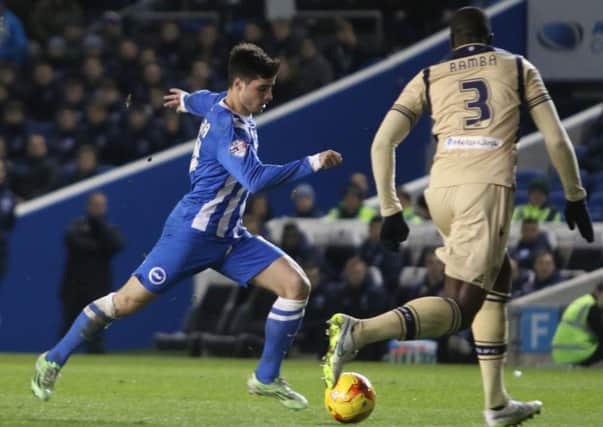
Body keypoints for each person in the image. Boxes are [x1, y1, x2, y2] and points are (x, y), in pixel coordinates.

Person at [31, 43, 343, 409]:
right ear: (239, 84)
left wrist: (184, 100)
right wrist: (313, 163)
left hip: (229, 236)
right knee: (125, 303)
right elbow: (255, 179)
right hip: (190, 235)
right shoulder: (228, 128)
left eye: (271, 87)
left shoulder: (219, 102)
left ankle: (266, 377)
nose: (269, 96)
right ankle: (53, 358)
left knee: (295, 285)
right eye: (263, 88)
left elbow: (202, 100)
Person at [322, 7, 593, 427]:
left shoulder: (430, 75)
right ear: (489, 36)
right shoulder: (518, 66)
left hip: (441, 189)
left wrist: (391, 208)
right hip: (485, 188)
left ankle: (497, 402)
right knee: (461, 307)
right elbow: (556, 140)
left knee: (498, 275)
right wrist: (574, 194)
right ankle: (360, 332)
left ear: (452, 43)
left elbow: (381, 142)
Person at [60, 192, 124, 354]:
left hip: (98, 286)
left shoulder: (107, 228)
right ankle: (61, 355)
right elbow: (74, 242)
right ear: (88, 207)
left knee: (96, 328)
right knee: (69, 325)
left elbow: (116, 245)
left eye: (102, 206)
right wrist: (99, 247)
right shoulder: (77, 226)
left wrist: (99, 233)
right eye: (96, 205)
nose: (99, 209)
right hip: (75, 285)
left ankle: (95, 354)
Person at [552, 283, 603, 366]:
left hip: (560, 353)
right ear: (598, 292)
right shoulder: (592, 307)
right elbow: (600, 333)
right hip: (578, 352)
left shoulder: (583, 301)